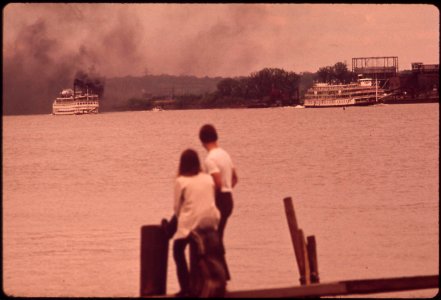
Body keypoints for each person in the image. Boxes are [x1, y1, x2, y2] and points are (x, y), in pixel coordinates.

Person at [172, 149, 220, 297]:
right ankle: (206, 282)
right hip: (212, 219)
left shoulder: (180, 181)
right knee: (202, 250)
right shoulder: (207, 178)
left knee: (177, 249)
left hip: (193, 223)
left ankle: (185, 288)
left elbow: (177, 209)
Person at [199, 124, 238, 281]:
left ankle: (220, 275)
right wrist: (228, 188)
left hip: (219, 199)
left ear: (202, 141)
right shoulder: (225, 154)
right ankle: (223, 274)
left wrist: (210, 200)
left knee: (213, 238)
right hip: (229, 198)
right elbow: (235, 178)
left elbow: (217, 182)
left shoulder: (210, 159)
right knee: (218, 236)